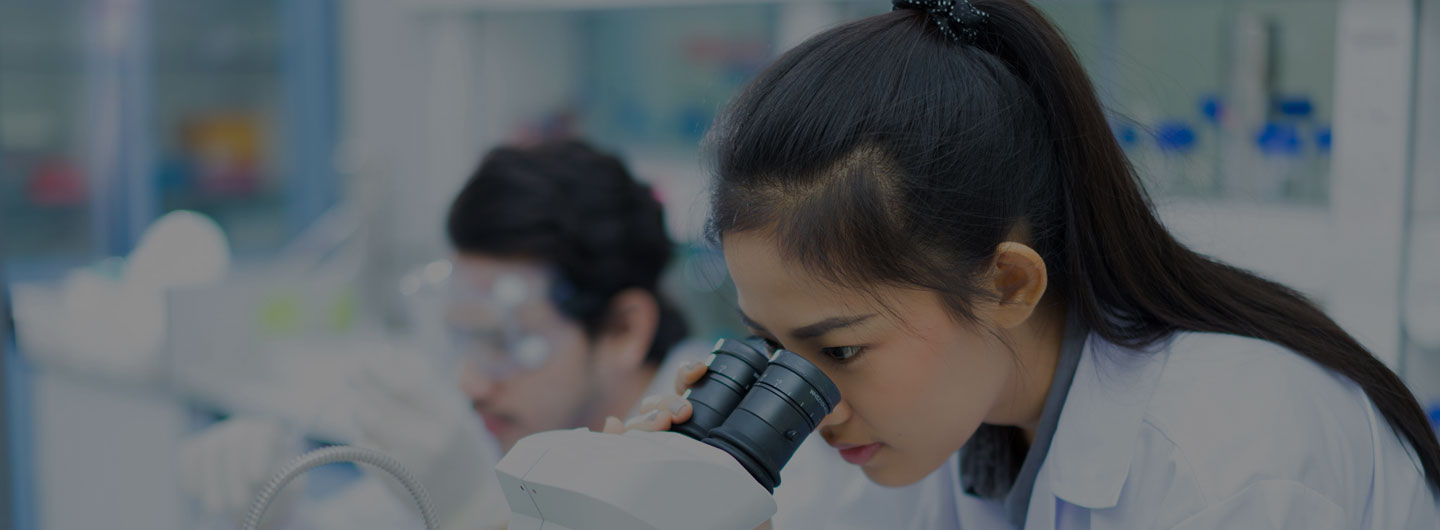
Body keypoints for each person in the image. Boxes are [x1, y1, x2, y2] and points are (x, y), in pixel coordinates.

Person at [615, 1, 1440, 529]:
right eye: (769, 346)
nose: (816, 410)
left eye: (841, 351)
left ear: (1007, 283)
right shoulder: (926, 425)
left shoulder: (1232, 462)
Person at [180, 140, 918, 530]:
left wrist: (478, 518)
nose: (472, 380)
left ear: (625, 326)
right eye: (464, 340)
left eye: (506, 340)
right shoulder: (509, 436)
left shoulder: (768, 476)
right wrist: (274, 510)